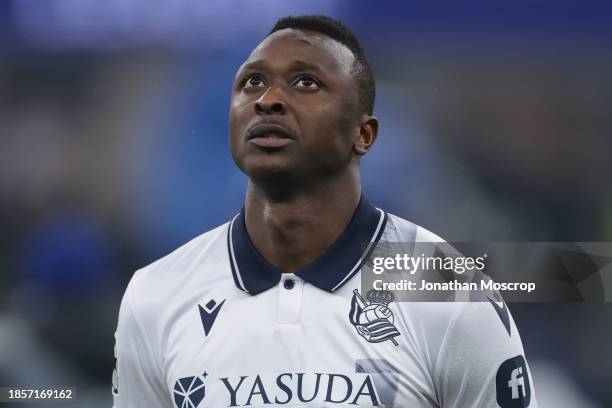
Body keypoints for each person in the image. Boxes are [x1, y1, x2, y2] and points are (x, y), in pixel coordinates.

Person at [113, 15, 536, 408]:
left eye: (306, 83)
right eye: (252, 82)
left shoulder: (450, 292)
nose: (268, 100)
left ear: (363, 134)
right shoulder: (155, 295)